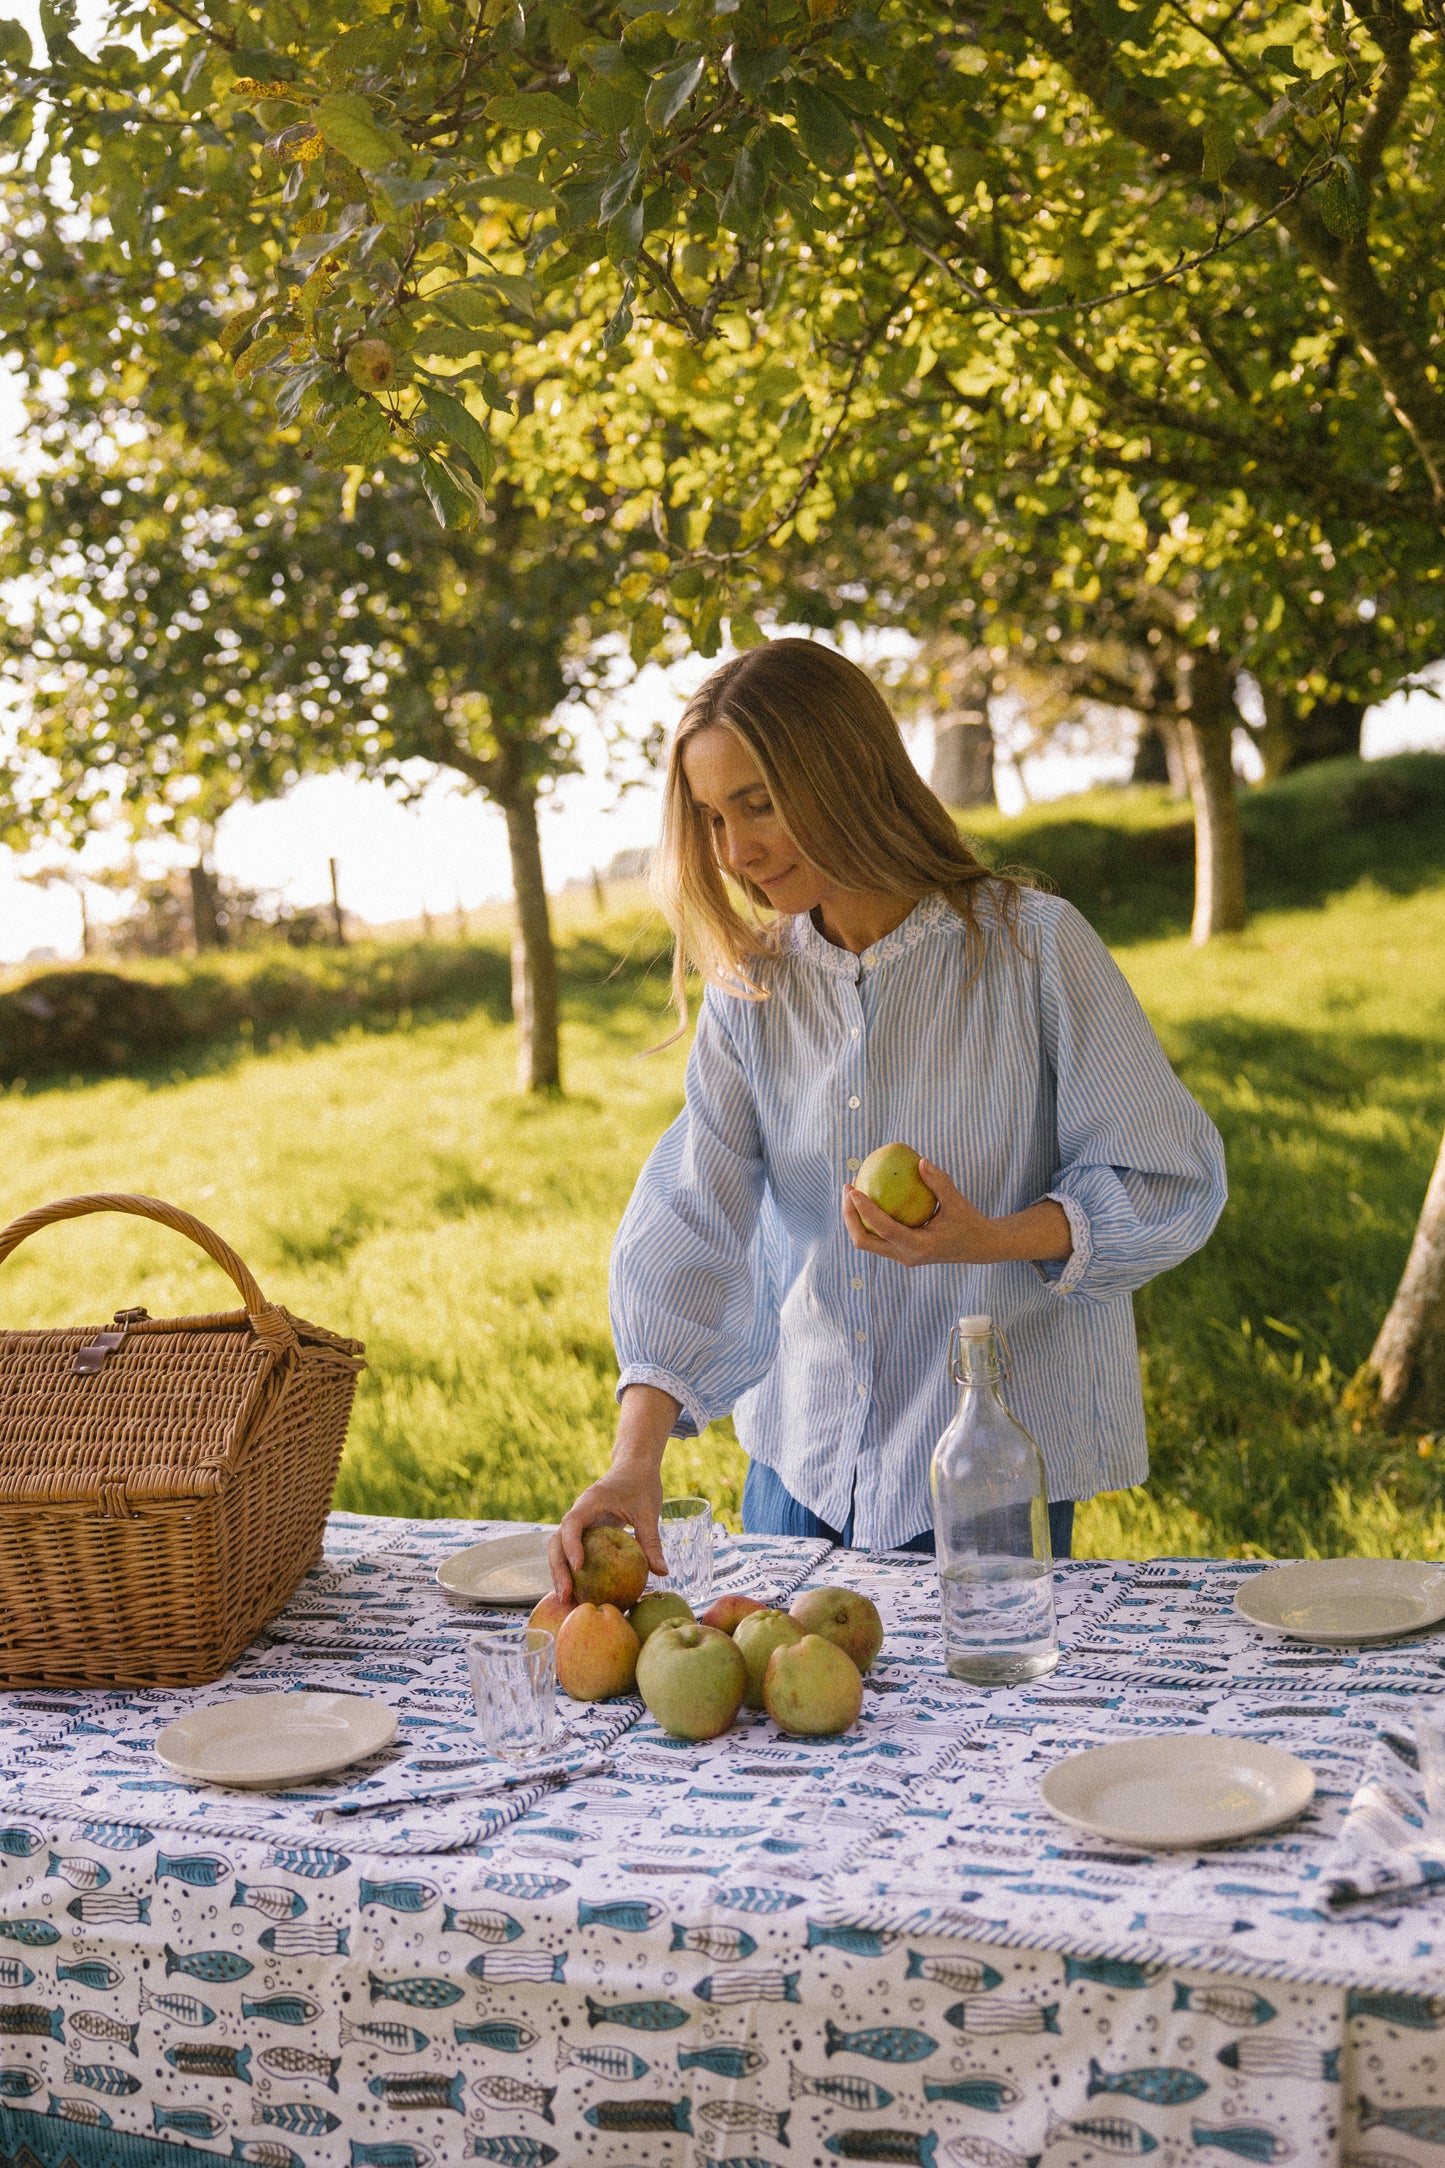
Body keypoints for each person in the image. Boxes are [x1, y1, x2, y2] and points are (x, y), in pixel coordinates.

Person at [549, 638, 1225, 1594]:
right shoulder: (754, 987)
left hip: (984, 1473)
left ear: (847, 775)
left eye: (759, 803)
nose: (734, 851)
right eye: (709, 818)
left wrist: (990, 1237)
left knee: (987, 1731)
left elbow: (1168, 1179)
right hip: (800, 1466)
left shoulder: (1032, 949)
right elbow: (692, 1215)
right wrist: (635, 1459)